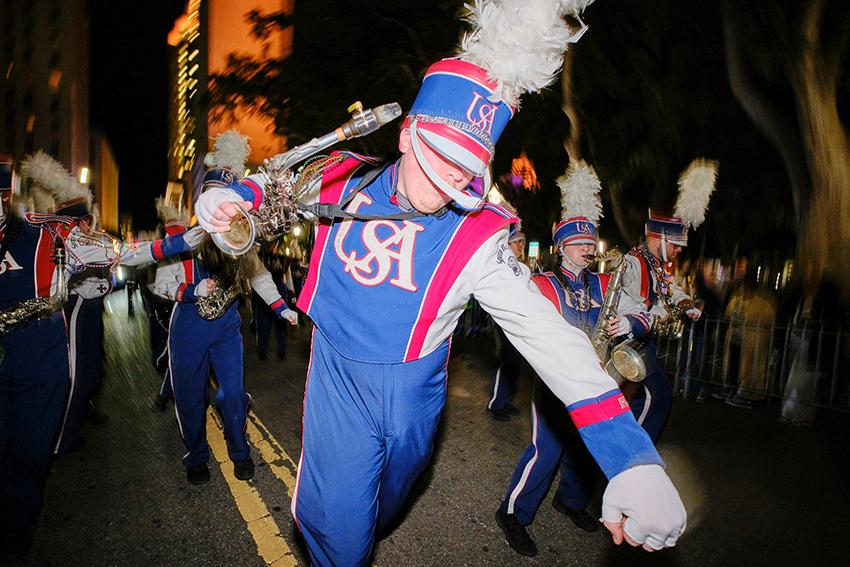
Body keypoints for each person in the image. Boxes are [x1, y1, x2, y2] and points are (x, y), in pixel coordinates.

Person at [196, 3, 686, 564]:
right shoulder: (341, 176)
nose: (455, 178)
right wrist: (233, 200)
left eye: (469, 165)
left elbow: (553, 341)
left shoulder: (478, 235)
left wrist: (631, 457)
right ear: (407, 135)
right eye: (444, 155)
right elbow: (278, 185)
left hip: (416, 393)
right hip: (339, 373)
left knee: (388, 501)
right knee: (338, 526)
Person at [0, 153, 199, 560]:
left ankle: (19, 520)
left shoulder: (52, 233)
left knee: (29, 448)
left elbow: (124, 252)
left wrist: (185, 239)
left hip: (38, 352)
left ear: (5, 198)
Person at [496, 162, 653, 556]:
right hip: (553, 379)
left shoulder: (604, 283)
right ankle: (513, 512)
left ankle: (569, 501)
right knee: (545, 450)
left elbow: (645, 311)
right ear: (562, 246)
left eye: (590, 243)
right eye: (579, 243)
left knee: (585, 448)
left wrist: (628, 322)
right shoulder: (544, 284)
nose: (587, 248)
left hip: (596, 379)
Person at [166, 132, 298, 485]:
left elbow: (259, 275)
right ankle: (196, 455)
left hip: (226, 322)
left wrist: (281, 308)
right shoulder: (185, 239)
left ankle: (239, 451)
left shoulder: (241, 236)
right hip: (189, 324)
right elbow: (157, 283)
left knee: (234, 394)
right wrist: (192, 290)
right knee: (191, 395)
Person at [621, 159, 716, 442]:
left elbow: (670, 289)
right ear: (658, 239)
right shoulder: (633, 262)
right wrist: (662, 311)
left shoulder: (658, 267)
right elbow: (629, 301)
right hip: (627, 341)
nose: (678, 251)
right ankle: (634, 450)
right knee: (658, 395)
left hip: (643, 342)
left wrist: (687, 303)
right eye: (675, 245)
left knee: (635, 400)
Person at [486, 224, 527, 420]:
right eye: (517, 241)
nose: (521, 245)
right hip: (502, 320)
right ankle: (496, 404)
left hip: (517, 320)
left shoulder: (522, 266)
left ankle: (506, 400)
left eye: (522, 241)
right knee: (506, 361)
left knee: (515, 363)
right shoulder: (501, 265)